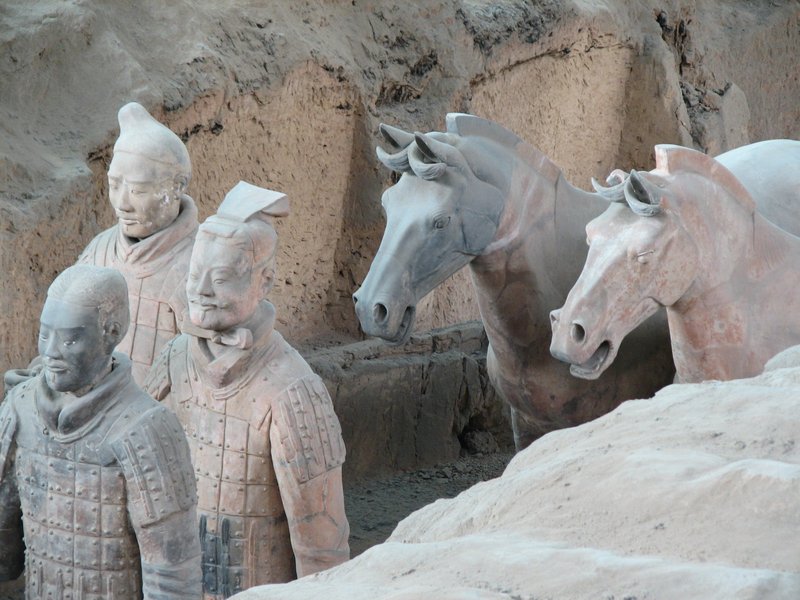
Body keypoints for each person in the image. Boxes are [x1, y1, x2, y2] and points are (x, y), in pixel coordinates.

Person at [145, 182, 350, 599]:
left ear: (266, 281)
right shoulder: (174, 359)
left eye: (220, 278)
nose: (201, 290)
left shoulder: (293, 391)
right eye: (194, 273)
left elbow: (322, 549)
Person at [0, 264, 202, 599]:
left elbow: (171, 577)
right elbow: (5, 559)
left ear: (112, 331)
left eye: (71, 338)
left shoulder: (146, 428)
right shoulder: (19, 408)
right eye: (45, 334)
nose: (50, 353)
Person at [78, 101, 198, 384]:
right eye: (114, 185)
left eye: (138, 190)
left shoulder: (204, 264)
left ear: (177, 186)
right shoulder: (99, 250)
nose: (122, 204)